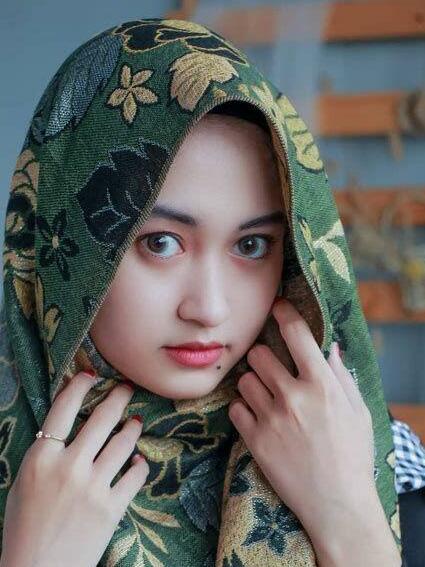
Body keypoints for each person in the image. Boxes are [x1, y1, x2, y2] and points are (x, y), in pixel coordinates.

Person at [0, 16, 419, 566]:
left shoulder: (377, 463)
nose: (210, 308)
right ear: (67, 243)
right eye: (160, 243)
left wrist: (350, 518)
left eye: (252, 245)